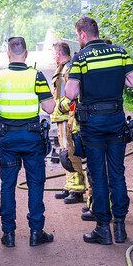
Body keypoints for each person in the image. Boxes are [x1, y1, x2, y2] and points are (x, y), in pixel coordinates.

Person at [65, 16, 133, 245]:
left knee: (98, 175)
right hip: (116, 121)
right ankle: (120, 227)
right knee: (117, 173)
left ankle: (102, 229)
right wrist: (117, 80)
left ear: (82, 35)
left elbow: (70, 93)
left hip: (93, 124)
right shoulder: (119, 52)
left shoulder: (81, 58)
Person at [0, 37, 56, 248]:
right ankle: (36, 232)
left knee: (8, 185)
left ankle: (9, 234)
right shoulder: (37, 76)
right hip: (32, 138)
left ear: (8, 53)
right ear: (26, 54)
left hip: (8, 139)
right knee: (35, 184)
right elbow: (49, 108)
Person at [51, 41, 87, 204]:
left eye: (54, 54)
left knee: (71, 153)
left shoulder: (69, 69)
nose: (53, 57)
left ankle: (77, 188)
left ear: (59, 54)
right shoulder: (62, 68)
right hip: (62, 117)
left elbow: (74, 94)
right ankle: (70, 185)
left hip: (68, 117)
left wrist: (61, 107)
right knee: (65, 152)